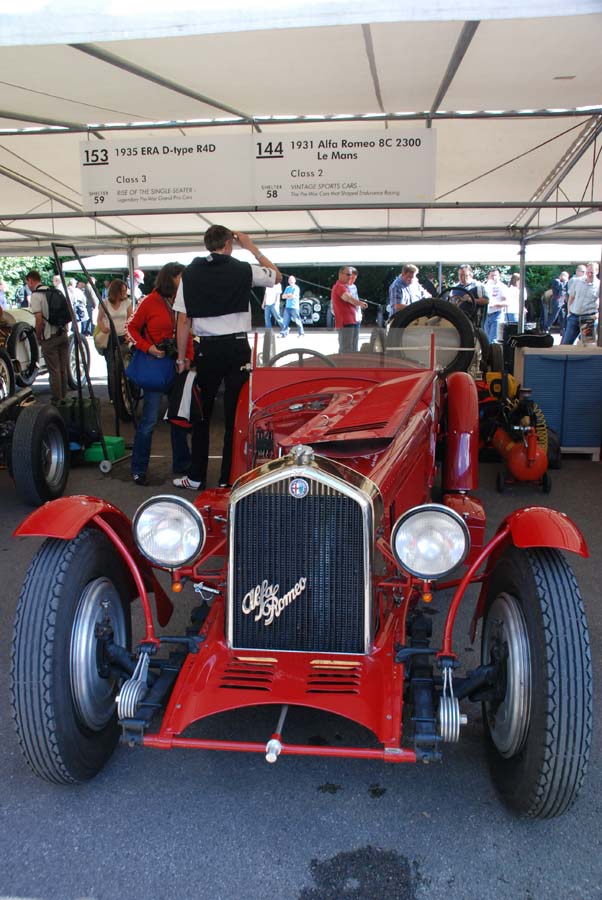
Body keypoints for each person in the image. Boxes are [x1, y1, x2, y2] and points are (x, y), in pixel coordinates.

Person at [173, 226, 281, 490]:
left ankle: (196, 477)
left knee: (201, 415)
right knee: (235, 416)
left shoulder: (190, 273)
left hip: (206, 350)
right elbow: (277, 276)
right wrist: (251, 246)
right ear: (229, 244)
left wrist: (181, 358)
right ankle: (229, 478)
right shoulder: (243, 269)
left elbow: (183, 320)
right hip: (236, 348)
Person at [127, 263, 193, 486]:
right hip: (155, 368)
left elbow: (187, 331)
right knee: (149, 421)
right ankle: (139, 468)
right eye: (181, 277)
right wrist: (148, 348)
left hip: (177, 367)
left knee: (179, 418)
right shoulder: (150, 301)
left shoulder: (182, 300)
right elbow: (130, 328)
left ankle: (182, 464)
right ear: (170, 278)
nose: (184, 281)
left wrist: (188, 357)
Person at [27, 269, 70, 404]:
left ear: (31, 280)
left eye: (27, 283)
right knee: (62, 368)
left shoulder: (36, 296)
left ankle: (57, 399)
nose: (28, 285)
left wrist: (38, 337)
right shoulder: (54, 291)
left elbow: (39, 320)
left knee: (54, 369)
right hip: (62, 334)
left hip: (49, 337)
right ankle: (64, 397)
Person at [95, 279, 132, 398]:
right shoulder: (105, 303)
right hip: (110, 338)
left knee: (124, 365)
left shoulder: (127, 302)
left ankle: (126, 393)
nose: (125, 293)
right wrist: (103, 328)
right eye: (122, 291)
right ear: (116, 291)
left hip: (123, 337)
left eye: (125, 291)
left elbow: (131, 320)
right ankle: (113, 396)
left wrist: (128, 334)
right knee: (111, 367)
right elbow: (99, 319)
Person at [331, 265, 368, 353]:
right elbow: (348, 298)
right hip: (345, 322)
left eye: (351, 275)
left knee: (352, 347)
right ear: (340, 274)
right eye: (348, 274)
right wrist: (360, 303)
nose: (350, 277)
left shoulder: (345, 286)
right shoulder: (340, 286)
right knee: (346, 348)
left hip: (351, 321)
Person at [562, 262, 600, 345]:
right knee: (566, 343)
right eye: (588, 272)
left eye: (592, 273)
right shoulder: (577, 281)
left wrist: (598, 315)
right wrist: (569, 312)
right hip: (574, 316)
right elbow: (571, 297)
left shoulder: (599, 285)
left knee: (587, 345)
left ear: (597, 271)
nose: (589, 274)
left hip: (589, 318)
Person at [483, 269, 509, 342]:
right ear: (488, 276)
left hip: (497, 314)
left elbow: (507, 302)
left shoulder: (502, 286)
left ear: (499, 276)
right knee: (485, 339)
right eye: (492, 275)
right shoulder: (485, 286)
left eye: (495, 275)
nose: (494, 277)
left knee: (493, 340)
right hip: (486, 315)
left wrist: (495, 304)